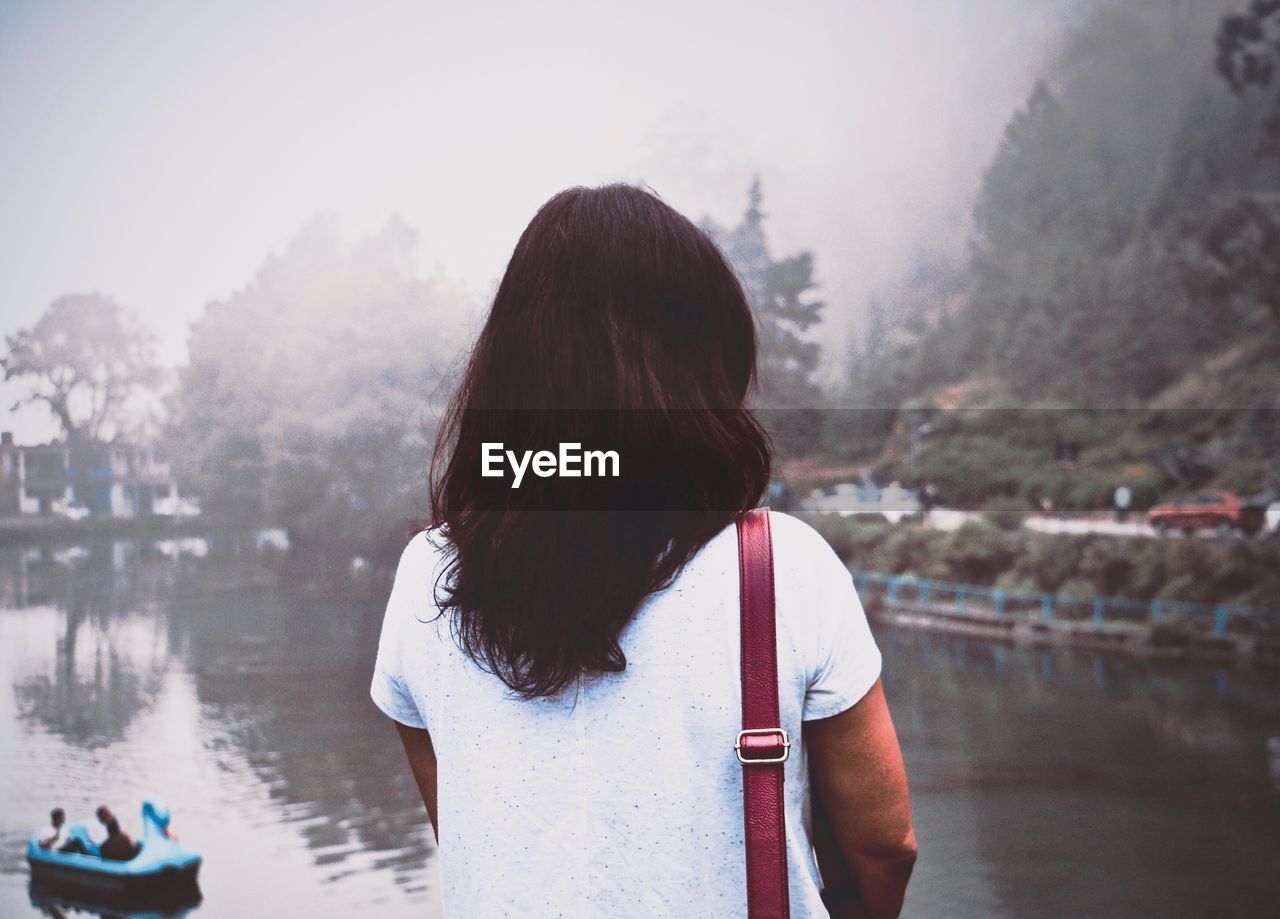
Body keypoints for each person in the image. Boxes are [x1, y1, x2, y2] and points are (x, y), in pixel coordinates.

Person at [371, 183, 916, 918]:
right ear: (699, 371)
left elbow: (468, 829)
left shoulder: (426, 577)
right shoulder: (784, 566)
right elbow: (883, 846)